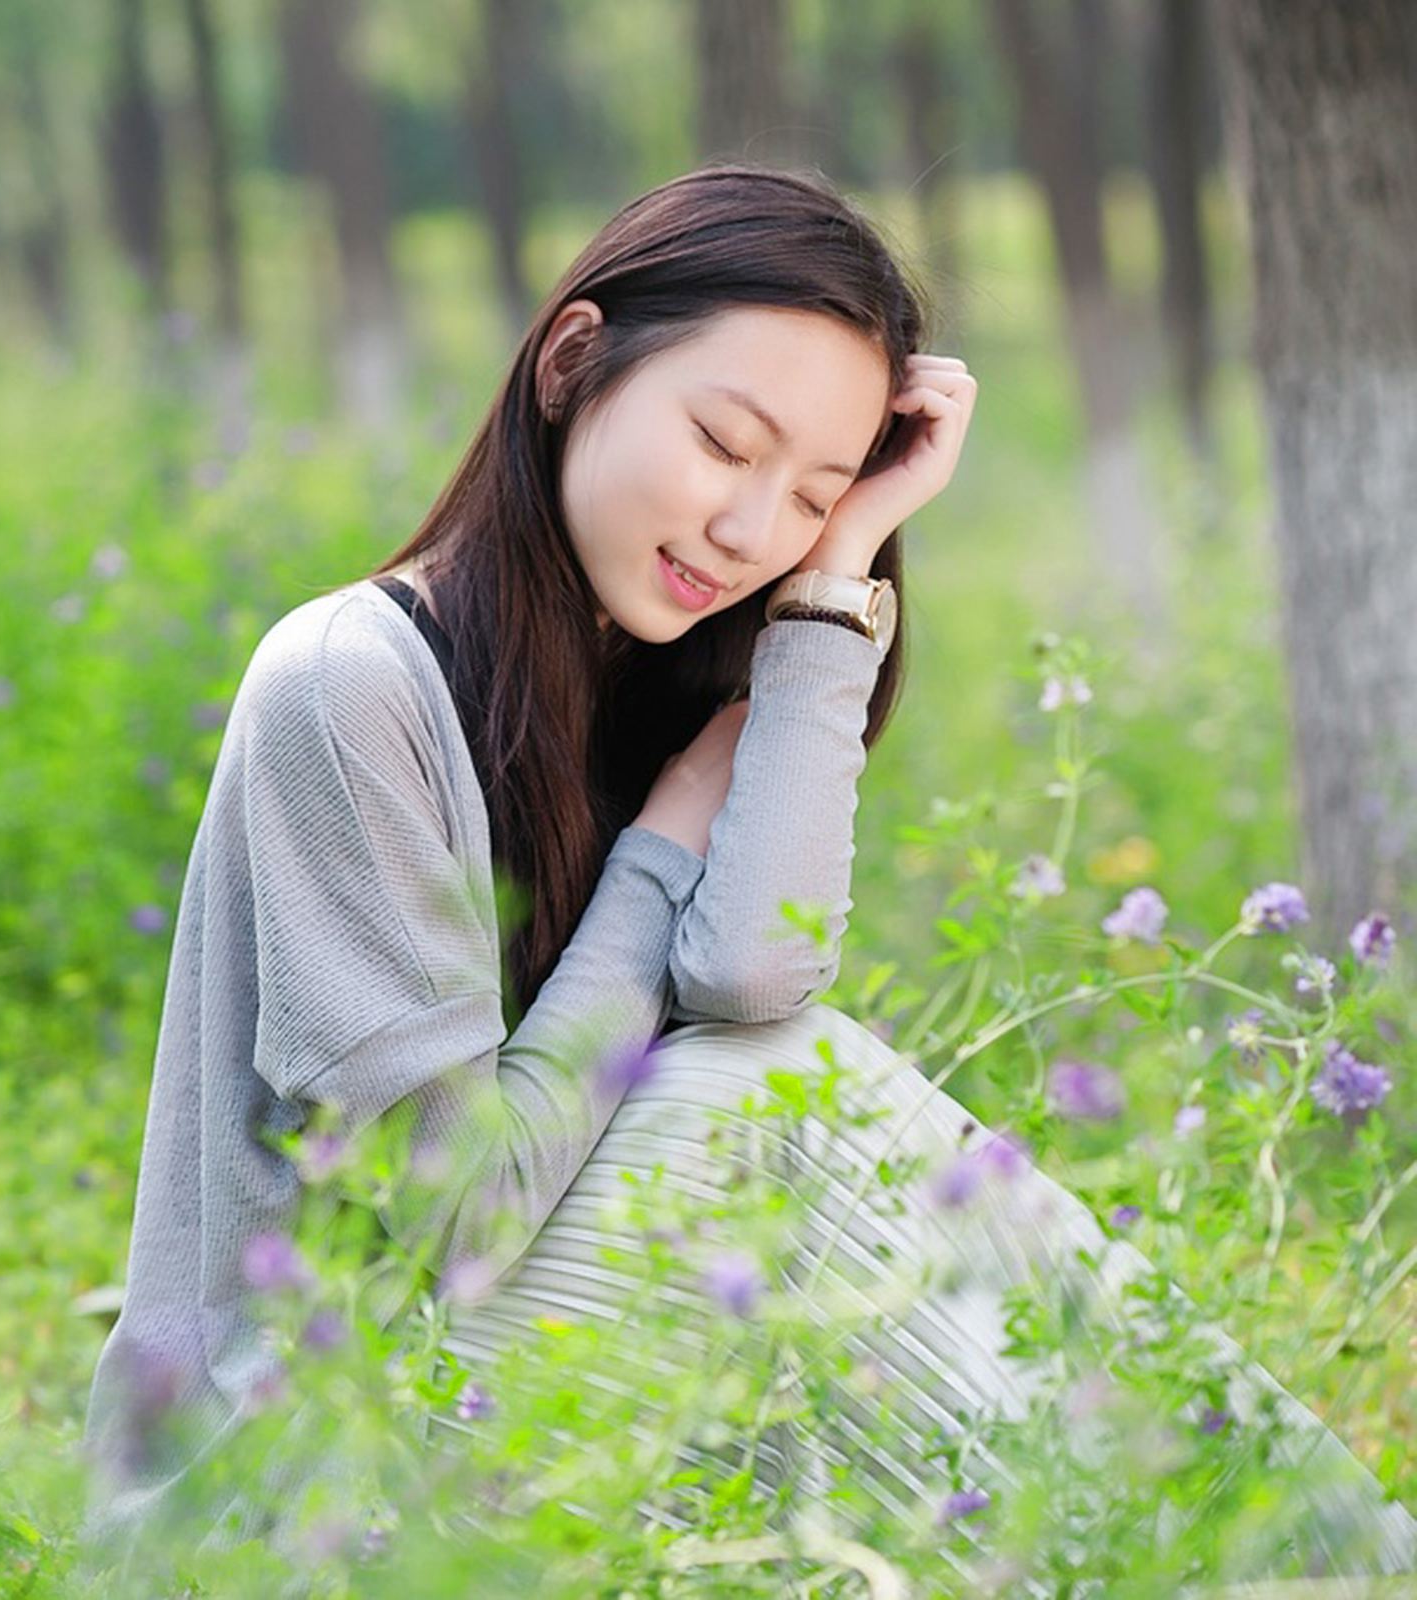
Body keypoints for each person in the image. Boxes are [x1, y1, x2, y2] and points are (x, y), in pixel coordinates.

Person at [75, 162, 1416, 1588]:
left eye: (813, 491)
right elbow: (454, 1208)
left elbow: (751, 972)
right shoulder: (347, 686)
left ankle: (1297, 1556)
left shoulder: (656, 666)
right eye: (726, 443)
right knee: (773, 1092)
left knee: (780, 1080)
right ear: (573, 361)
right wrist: (661, 852)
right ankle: (1319, 1559)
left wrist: (836, 583)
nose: (746, 529)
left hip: (482, 1388)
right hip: (285, 1475)